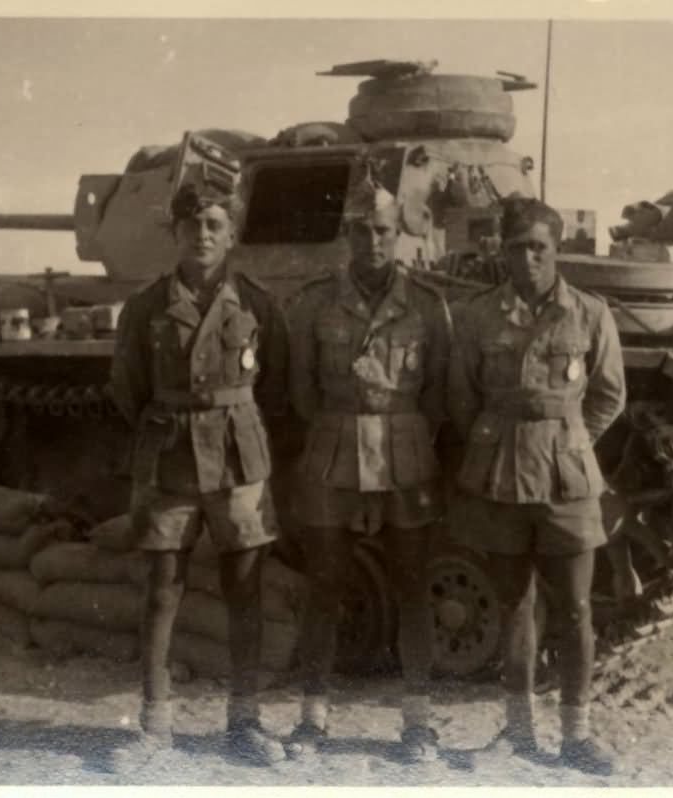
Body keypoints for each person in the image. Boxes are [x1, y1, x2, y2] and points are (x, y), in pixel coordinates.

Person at [110, 180, 289, 766]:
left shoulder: (257, 304)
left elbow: (278, 386)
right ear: (175, 233)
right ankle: (154, 728)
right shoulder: (145, 308)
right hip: (170, 459)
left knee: (245, 591)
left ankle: (244, 725)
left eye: (215, 224)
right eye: (193, 225)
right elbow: (128, 388)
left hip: (239, 460)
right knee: (162, 593)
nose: (204, 235)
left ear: (232, 232)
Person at [447, 195, 627, 775]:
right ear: (502, 250)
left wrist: (569, 438)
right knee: (514, 605)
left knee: (575, 608)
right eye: (517, 247)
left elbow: (608, 395)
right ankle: (520, 730)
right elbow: (460, 396)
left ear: (557, 250)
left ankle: (576, 734)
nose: (528, 259)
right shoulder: (477, 316)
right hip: (500, 477)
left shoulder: (590, 314)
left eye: (539, 248)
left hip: (567, 481)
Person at [285, 180, 451, 764]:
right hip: (333, 450)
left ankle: (418, 723)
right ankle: (312, 719)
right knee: (325, 585)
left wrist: (400, 427)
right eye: (361, 230)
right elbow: (301, 391)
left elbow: (439, 395)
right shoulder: (312, 302)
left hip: (406, 455)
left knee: (411, 586)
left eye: (382, 230)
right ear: (348, 234)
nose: (373, 241)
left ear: (399, 234)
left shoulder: (429, 306)